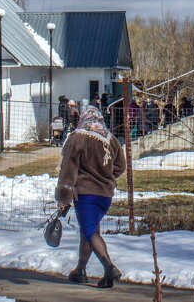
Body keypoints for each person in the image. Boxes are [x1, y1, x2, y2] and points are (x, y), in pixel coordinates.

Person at [56, 105, 127, 288]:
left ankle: (109, 267)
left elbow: (68, 169)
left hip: (86, 193)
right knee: (89, 230)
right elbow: (120, 166)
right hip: (105, 195)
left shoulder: (78, 137)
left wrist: (64, 196)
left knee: (89, 231)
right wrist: (105, 177)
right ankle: (80, 270)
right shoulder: (110, 138)